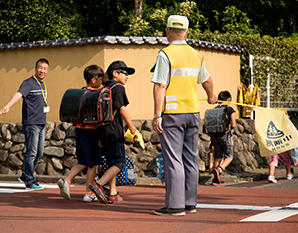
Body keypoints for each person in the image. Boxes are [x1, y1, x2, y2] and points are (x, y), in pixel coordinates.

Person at [151, 15, 218, 216]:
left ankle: (175, 206)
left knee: (173, 159)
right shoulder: (196, 55)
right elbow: (206, 80)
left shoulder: (165, 54)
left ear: (167, 31)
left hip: (172, 114)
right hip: (193, 114)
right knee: (190, 158)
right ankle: (190, 203)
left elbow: (160, 85)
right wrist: (211, 96)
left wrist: (156, 115)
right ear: (187, 33)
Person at [89, 60, 138, 204]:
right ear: (115, 73)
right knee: (120, 162)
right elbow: (122, 109)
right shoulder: (118, 88)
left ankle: (112, 193)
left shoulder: (103, 88)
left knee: (111, 163)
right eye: (125, 73)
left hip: (102, 131)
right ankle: (99, 184)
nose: (127, 76)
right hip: (114, 131)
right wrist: (132, 128)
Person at [0, 58, 49, 190]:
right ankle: (29, 180)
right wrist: (8, 106)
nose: (42, 71)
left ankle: (25, 175)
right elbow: (18, 94)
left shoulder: (41, 84)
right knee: (31, 152)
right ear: (35, 68)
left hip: (41, 123)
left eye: (45, 69)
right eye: (40, 68)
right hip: (31, 123)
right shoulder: (28, 83)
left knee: (39, 153)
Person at [57, 65, 104, 202]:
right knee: (92, 163)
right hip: (91, 131)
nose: (101, 82)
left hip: (79, 129)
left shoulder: (80, 93)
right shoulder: (94, 95)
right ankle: (88, 193)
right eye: (100, 80)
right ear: (94, 80)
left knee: (83, 160)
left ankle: (66, 180)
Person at [211, 90, 237, 185]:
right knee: (229, 156)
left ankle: (215, 179)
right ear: (228, 99)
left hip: (215, 136)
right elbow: (233, 125)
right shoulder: (230, 109)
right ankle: (219, 170)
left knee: (218, 156)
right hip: (225, 135)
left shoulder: (215, 109)